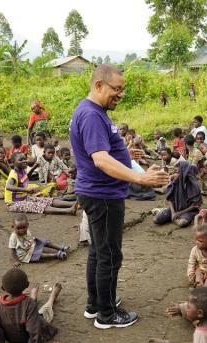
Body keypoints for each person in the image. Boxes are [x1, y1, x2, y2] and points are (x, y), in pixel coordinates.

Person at [70, 64, 169, 329]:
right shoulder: (91, 115)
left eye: (122, 90)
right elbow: (100, 160)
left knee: (98, 251)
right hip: (102, 195)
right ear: (99, 85)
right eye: (117, 89)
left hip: (96, 192)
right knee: (110, 255)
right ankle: (107, 314)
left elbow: (103, 150)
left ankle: (95, 304)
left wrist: (124, 154)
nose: (120, 94)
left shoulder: (93, 111)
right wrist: (140, 177)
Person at [4, 153, 74, 215]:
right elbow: (8, 186)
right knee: (39, 206)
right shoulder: (13, 173)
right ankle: (68, 210)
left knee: (47, 200)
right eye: (20, 160)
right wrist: (26, 190)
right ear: (13, 163)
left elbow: (26, 178)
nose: (24, 161)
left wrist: (34, 167)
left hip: (23, 198)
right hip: (13, 203)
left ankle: (74, 204)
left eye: (24, 159)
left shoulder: (21, 171)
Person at [153, 161, 201, 228]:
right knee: (156, 220)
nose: (174, 173)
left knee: (182, 223)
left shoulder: (194, 185)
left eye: (176, 171)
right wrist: (173, 213)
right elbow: (169, 198)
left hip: (188, 211)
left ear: (184, 172)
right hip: (175, 209)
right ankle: (166, 214)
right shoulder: (175, 182)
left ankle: (174, 218)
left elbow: (195, 205)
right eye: (174, 171)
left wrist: (179, 213)